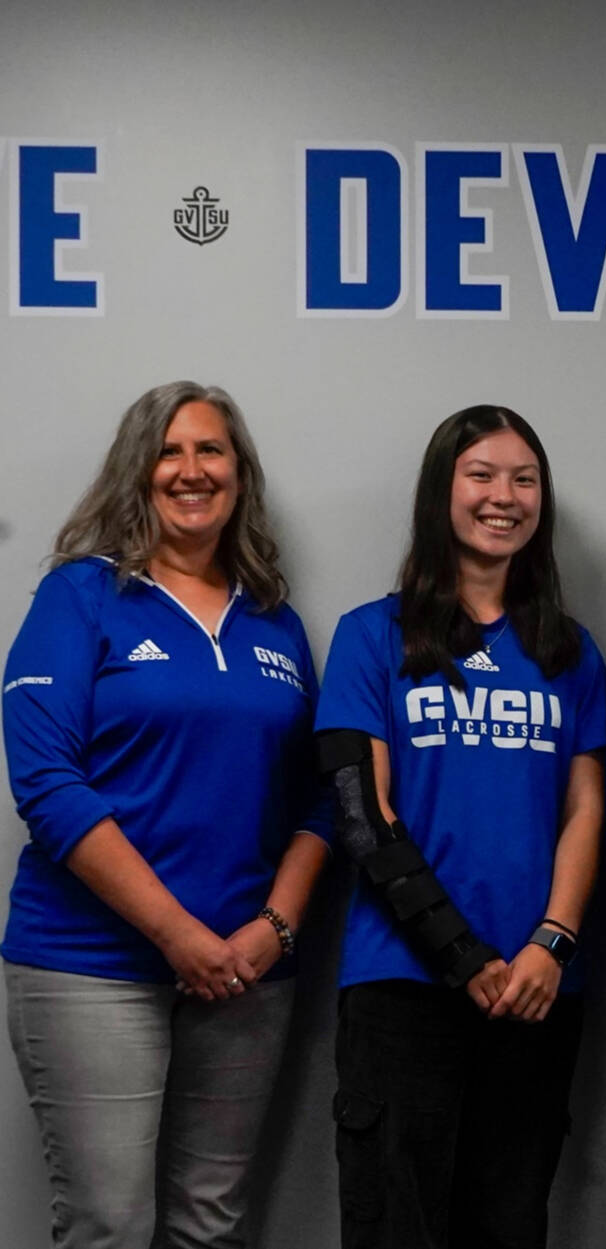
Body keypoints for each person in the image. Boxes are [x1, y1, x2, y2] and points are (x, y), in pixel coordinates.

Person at [1, 381, 331, 1248]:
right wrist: (178, 933)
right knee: (110, 1224)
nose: (191, 470)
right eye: (169, 451)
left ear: (239, 472)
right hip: (90, 964)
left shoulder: (277, 624)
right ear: (137, 472)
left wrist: (275, 928)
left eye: (210, 450)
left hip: (247, 973)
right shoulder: (81, 596)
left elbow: (316, 797)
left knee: (210, 1225)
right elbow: (47, 783)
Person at [315, 405, 606, 1249]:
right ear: (441, 490)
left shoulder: (570, 651)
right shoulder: (371, 636)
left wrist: (550, 943)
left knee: (508, 1228)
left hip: (535, 990)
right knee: (395, 1228)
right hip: (404, 985)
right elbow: (360, 814)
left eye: (524, 479)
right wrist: (462, 953)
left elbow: (586, 809)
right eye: (480, 475)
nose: (503, 496)